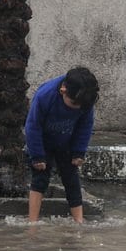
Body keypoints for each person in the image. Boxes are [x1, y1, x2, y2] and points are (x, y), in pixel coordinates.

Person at [25, 67, 99, 223]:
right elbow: (33, 126)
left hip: (67, 142)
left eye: (81, 106)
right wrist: (37, 155)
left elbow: (85, 126)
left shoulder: (85, 101)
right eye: (74, 103)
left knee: (71, 179)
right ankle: (32, 222)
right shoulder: (45, 96)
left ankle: (79, 221)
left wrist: (79, 152)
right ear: (63, 90)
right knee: (40, 179)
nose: (77, 108)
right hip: (43, 141)